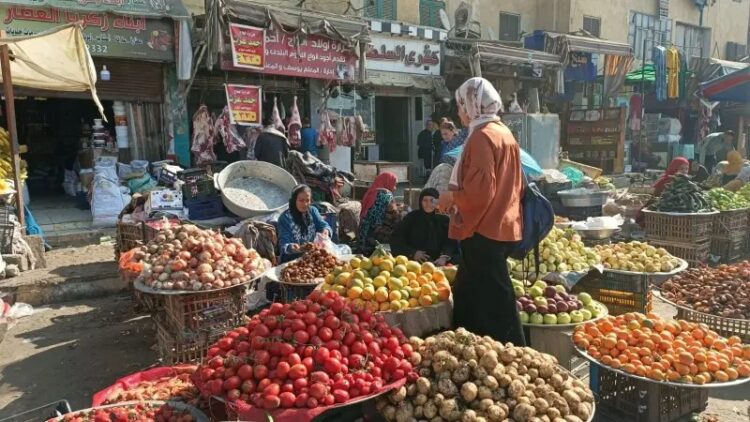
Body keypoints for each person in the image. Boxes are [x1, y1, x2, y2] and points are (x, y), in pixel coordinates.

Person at [437, 77, 525, 346]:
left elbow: (481, 192)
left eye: (461, 105)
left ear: (473, 105)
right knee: (470, 292)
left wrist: (452, 197)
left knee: (497, 300)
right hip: (503, 225)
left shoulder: (481, 137)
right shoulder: (503, 132)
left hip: (485, 229)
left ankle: (516, 352)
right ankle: (466, 347)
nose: (459, 112)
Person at [390, 188, 458, 266]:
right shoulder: (411, 218)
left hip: (439, 262)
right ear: (420, 202)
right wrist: (412, 253)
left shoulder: (443, 219)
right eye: (425, 200)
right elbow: (396, 239)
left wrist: (444, 257)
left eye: (432, 200)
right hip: (414, 262)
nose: (428, 204)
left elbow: (450, 241)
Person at [277, 185, 332, 263]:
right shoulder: (285, 218)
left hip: (314, 255)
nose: (305, 204)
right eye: (301, 200)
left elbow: (323, 225)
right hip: (294, 259)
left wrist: (325, 231)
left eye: (307, 200)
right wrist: (292, 247)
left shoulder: (312, 211)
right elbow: (283, 245)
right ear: (294, 200)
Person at [358, 172, 400, 254]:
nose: (395, 188)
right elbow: (377, 220)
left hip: (362, 234)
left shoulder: (372, 191)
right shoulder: (386, 195)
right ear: (388, 182)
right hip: (373, 236)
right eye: (394, 184)